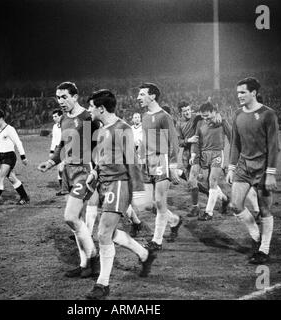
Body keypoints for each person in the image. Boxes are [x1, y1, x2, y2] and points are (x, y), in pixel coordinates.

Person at [85, 89, 157, 300]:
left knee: (103, 233)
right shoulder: (102, 129)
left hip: (119, 184)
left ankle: (103, 284)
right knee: (110, 232)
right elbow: (104, 157)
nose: (89, 110)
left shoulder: (122, 128)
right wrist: (95, 173)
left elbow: (132, 163)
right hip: (105, 184)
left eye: (91, 106)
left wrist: (139, 192)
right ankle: (144, 254)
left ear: (101, 108)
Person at [38, 82, 100, 278]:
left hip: (84, 171)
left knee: (70, 217)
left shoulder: (88, 117)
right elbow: (61, 145)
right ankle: (84, 265)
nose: (61, 101)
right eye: (58, 97)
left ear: (75, 96)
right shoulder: (64, 119)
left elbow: (101, 145)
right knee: (76, 222)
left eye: (64, 97)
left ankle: (94, 258)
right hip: (68, 173)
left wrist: (98, 170)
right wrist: (50, 162)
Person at [226, 77, 279, 265]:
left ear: (253, 93)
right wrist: (231, 167)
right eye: (238, 92)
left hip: (263, 168)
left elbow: (273, 146)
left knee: (265, 209)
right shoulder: (238, 114)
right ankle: (256, 235)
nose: (239, 95)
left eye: (243, 92)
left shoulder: (268, 114)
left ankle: (264, 249)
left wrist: (271, 173)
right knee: (235, 205)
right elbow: (235, 143)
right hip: (244, 166)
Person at [137, 83, 182, 248]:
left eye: (142, 94)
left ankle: (157, 240)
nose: (138, 97)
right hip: (147, 161)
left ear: (152, 96)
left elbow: (173, 141)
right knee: (149, 204)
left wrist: (173, 165)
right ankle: (174, 220)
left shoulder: (164, 116)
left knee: (159, 201)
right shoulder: (145, 116)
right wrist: (140, 157)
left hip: (161, 160)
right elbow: (144, 139)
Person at [190, 102, 231, 221]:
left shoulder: (222, 121)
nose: (205, 118)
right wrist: (194, 154)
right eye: (203, 116)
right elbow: (196, 141)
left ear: (214, 112)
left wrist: (233, 159)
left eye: (207, 115)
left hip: (217, 153)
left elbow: (232, 138)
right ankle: (224, 199)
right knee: (209, 184)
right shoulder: (200, 122)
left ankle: (209, 212)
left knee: (213, 180)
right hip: (204, 154)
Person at [0, 110, 30, 209]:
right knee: (12, 178)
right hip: (1, 157)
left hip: (9, 157)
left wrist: (23, 156)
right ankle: (25, 197)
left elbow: (18, 143)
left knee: (0, 178)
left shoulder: (10, 129)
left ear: (1, 118)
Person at [50, 109, 66, 196]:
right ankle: (63, 189)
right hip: (57, 149)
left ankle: (68, 187)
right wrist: (51, 151)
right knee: (59, 170)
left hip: (66, 148)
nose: (54, 118)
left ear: (60, 116)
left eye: (55, 116)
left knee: (62, 169)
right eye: (53, 117)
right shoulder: (55, 126)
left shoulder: (66, 125)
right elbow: (54, 140)